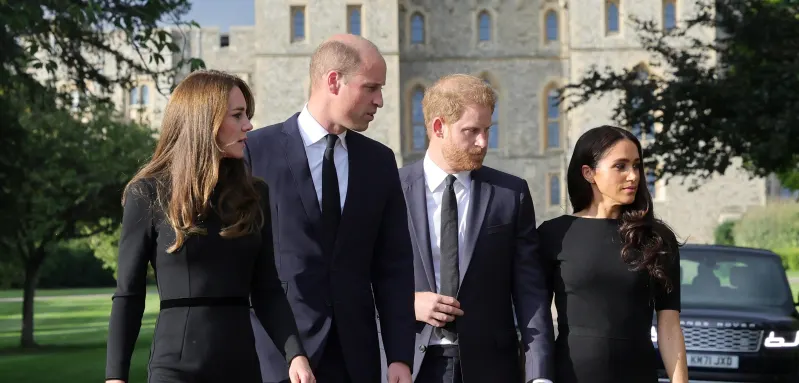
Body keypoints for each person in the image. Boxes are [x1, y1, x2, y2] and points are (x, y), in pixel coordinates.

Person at [104, 70, 314, 383]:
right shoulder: (147, 193)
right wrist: (115, 377)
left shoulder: (255, 194)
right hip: (175, 370)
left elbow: (267, 287)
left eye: (248, 115)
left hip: (241, 367)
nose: (248, 125)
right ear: (206, 121)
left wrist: (295, 355)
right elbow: (128, 295)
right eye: (238, 115)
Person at [243, 34, 415, 383]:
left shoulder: (379, 161)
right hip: (278, 357)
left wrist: (399, 356)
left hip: (357, 357)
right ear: (334, 81)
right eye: (371, 87)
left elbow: (393, 266)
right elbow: (240, 259)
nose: (380, 100)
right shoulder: (256, 152)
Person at [398, 74, 555, 383]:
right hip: (406, 364)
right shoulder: (390, 190)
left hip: (490, 368)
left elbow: (530, 290)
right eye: (471, 131)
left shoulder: (511, 193)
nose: (483, 142)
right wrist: (407, 303)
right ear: (439, 127)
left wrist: (539, 373)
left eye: (487, 130)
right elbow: (358, 276)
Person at [537, 125, 688, 383]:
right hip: (569, 375)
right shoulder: (553, 234)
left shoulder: (657, 239)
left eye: (637, 166)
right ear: (589, 173)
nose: (633, 176)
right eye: (621, 166)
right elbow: (535, 317)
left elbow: (669, 323)